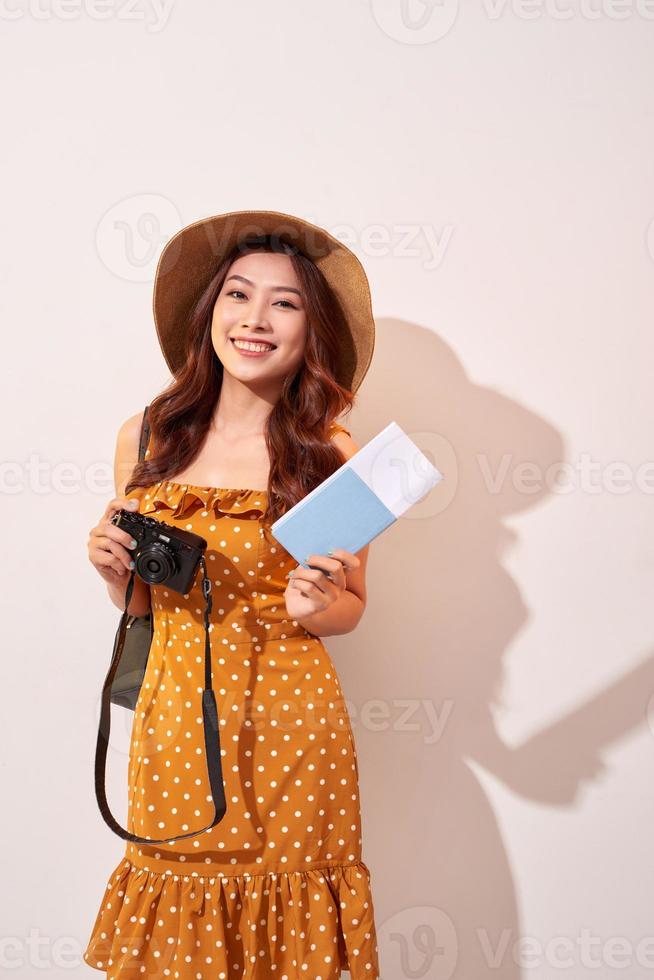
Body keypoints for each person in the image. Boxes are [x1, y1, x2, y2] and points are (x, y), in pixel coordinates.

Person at [83, 211, 380, 978]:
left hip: (293, 724)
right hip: (176, 715)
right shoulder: (147, 436)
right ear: (209, 312)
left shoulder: (331, 450)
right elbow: (144, 607)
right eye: (237, 296)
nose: (254, 320)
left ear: (310, 328)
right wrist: (117, 574)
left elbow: (350, 607)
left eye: (284, 303)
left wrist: (321, 607)